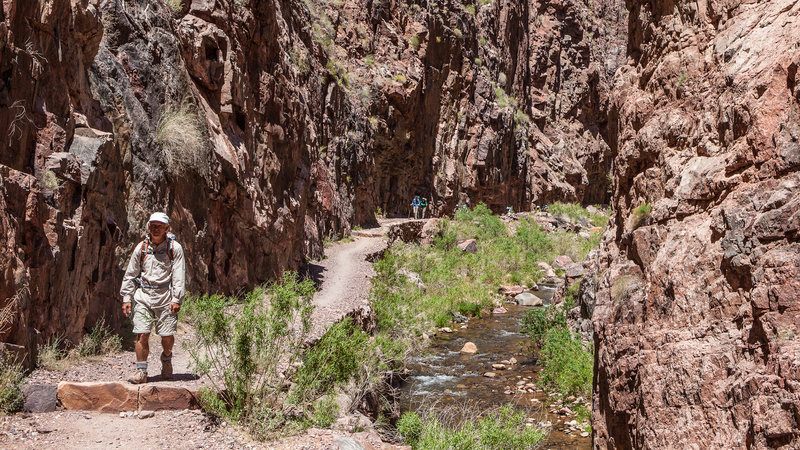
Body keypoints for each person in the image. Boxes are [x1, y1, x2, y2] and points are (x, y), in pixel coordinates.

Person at [119, 212, 186, 384]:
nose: (156, 229)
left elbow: (179, 275)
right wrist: (127, 297)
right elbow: (131, 274)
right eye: (153, 225)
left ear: (166, 228)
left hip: (165, 297)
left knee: (167, 335)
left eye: (160, 226)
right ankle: (141, 372)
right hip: (144, 296)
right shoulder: (141, 248)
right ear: (149, 227)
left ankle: (167, 357)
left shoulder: (174, 249)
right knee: (142, 334)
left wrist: (176, 299)